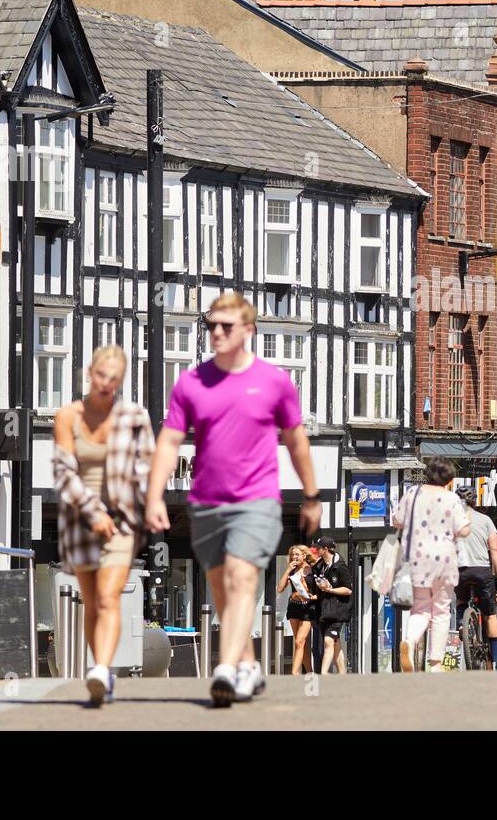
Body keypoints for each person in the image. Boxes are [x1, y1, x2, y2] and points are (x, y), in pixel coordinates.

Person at [145, 292, 321, 708]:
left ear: (249, 330)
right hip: (207, 502)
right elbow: (169, 440)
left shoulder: (274, 381)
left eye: (226, 326)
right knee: (224, 592)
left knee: (242, 578)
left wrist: (311, 494)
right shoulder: (191, 383)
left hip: (258, 499)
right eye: (211, 326)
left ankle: (225, 668)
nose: (217, 333)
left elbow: (296, 441)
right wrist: (154, 493)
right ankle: (248, 665)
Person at [53, 344, 154, 706]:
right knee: (92, 602)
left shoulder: (135, 417)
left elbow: (146, 467)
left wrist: (149, 503)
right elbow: (64, 472)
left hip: (122, 522)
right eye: (101, 375)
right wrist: (94, 513)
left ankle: (100, 668)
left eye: (114, 378)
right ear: (89, 374)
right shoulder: (67, 416)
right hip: (80, 520)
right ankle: (103, 672)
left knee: (110, 596)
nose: (106, 383)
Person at [392, 461, 471, 673]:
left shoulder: (412, 495)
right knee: (441, 610)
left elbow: (396, 521)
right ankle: (435, 663)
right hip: (444, 560)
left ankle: (409, 641)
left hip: (417, 559)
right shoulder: (452, 499)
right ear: (450, 479)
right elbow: (463, 531)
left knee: (420, 608)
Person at [453, 485, 497, 670]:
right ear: (474, 502)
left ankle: (461, 624)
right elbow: (495, 550)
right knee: (491, 615)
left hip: (460, 569)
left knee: (460, 599)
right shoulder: (485, 520)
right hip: (482, 570)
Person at [313, 538, 353, 673]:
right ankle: (343, 674)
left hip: (338, 611)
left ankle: (323, 673)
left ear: (326, 549)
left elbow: (348, 590)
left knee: (328, 641)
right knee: (336, 644)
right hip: (324, 610)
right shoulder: (319, 566)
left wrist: (330, 590)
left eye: (318, 547)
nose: (316, 550)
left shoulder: (340, 566)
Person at [277, 545, 318, 675]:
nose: (294, 557)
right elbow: (280, 588)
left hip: (308, 607)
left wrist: (313, 595)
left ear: (304, 556)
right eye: (292, 555)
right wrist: (288, 570)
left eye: (297, 554)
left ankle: (294, 674)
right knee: (301, 644)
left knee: (300, 641)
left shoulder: (312, 569)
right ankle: (310, 672)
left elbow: (318, 589)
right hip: (294, 607)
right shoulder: (292, 571)